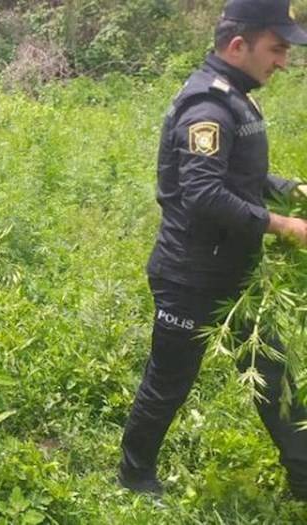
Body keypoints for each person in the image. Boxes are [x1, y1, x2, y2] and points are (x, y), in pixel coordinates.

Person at [119, 0, 307, 498]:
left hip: (236, 271)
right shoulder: (207, 108)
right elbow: (203, 194)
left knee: (273, 375)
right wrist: (283, 225)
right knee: (170, 384)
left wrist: (289, 189)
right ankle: (134, 476)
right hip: (191, 277)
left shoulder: (235, 95)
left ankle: (305, 478)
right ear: (238, 45)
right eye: (277, 49)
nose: (283, 62)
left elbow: (237, 173)